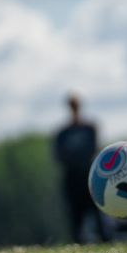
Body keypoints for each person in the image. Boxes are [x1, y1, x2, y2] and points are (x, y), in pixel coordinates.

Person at [53, 93, 113, 243]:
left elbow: (93, 150)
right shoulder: (62, 132)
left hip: (90, 175)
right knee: (75, 215)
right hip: (72, 177)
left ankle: (106, 242)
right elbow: (58, 156)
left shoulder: (90, 128)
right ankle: (79, 243)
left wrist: (73, 153)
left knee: (99, 213)